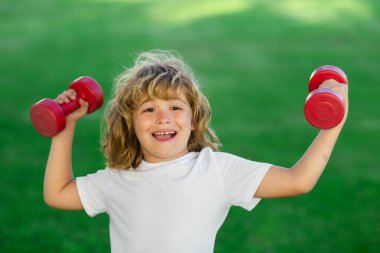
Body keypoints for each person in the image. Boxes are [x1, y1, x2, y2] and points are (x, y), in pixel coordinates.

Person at [43, 50, 349, 253]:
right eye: (149, 109)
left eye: (175, 107)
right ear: (130, 124)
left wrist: (332, 124)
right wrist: (65, 126)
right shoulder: (117, 178)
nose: (163, 117)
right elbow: (57, 193)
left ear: (193, 120)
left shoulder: (217, 170)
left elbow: (298, 180)